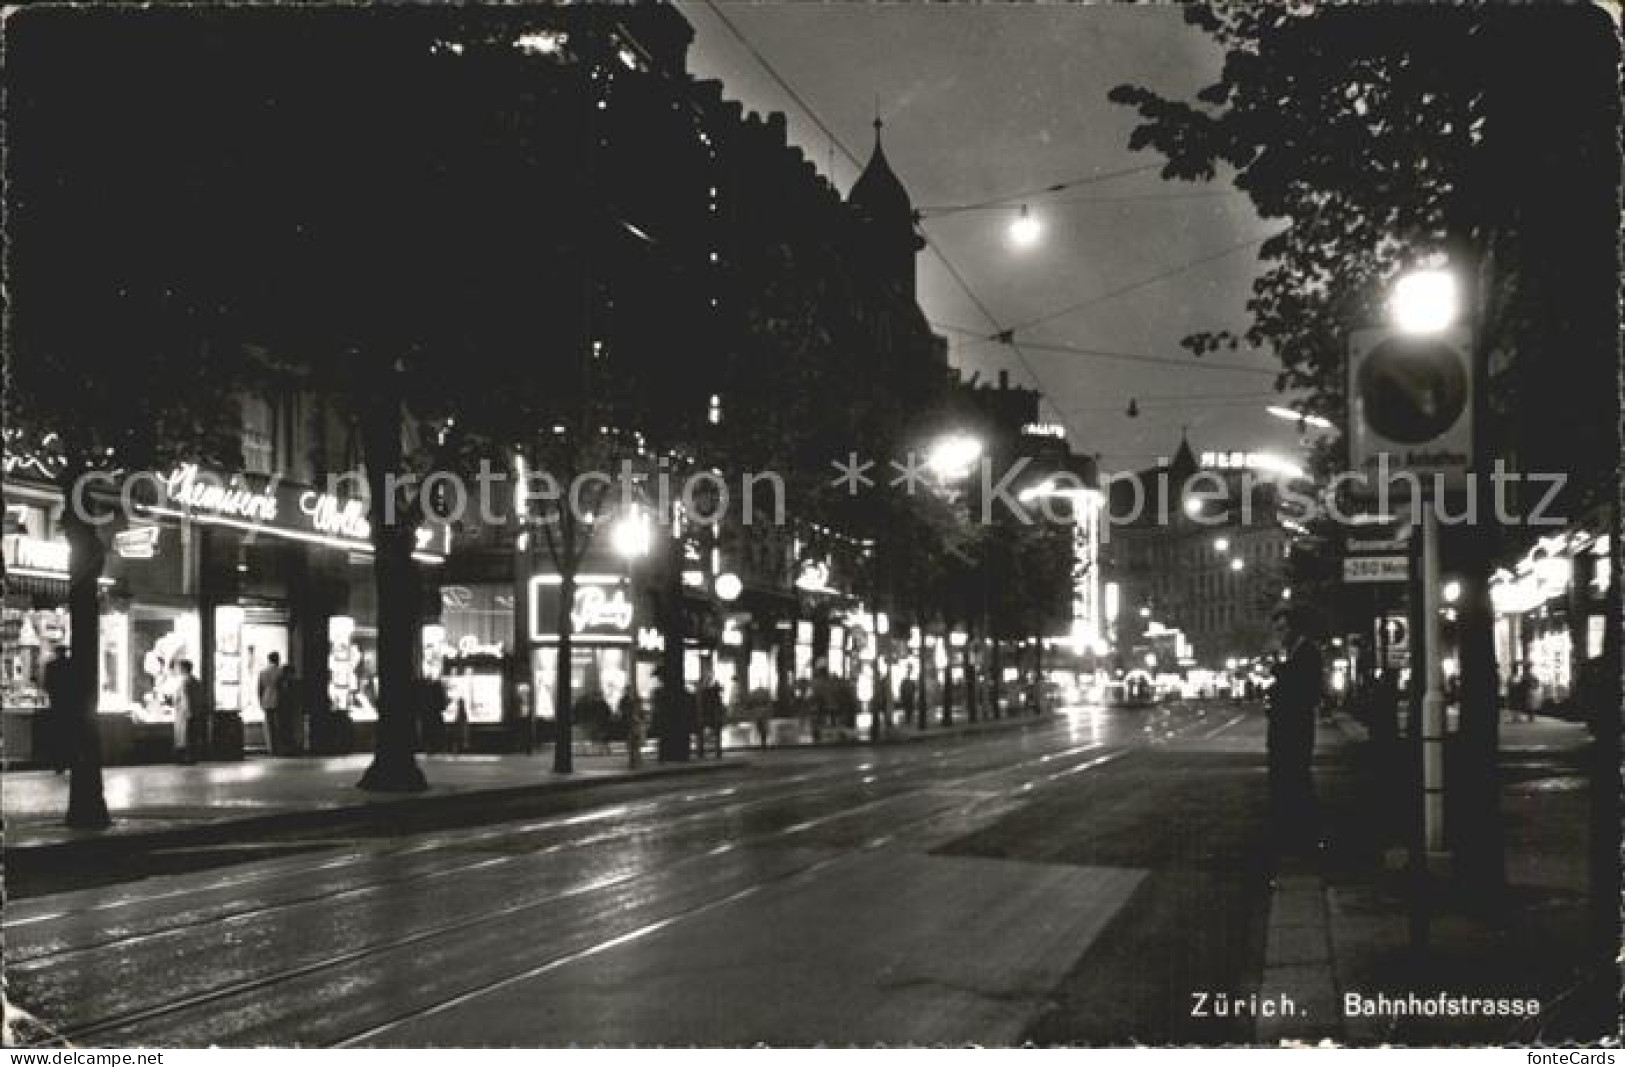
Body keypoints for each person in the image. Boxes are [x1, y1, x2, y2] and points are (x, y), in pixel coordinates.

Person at [1267, 615, 1324, 848]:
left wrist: (1278, 670)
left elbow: (1298, 684)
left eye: (1282, 629)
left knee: (1296, 775)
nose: (1279, 635)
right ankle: (1298, 826)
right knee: (1295, 777)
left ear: (1293, 629)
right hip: (1291, 726)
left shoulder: (1306, 652)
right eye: (1277, 630)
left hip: (1295, 728)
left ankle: (1301, 831)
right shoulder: (1297, 652)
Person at [39, 646, 73, 773]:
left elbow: (47, 685)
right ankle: (68, 761)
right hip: (69, 705)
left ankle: (59, 765)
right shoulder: (72, 665)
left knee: (57, 735)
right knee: (68, 735)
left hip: (56, 704)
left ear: (56, 653)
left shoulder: (51, 666)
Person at [174, 658, 207, 764]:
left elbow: (186, 698)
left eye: (178, 667)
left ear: (183, 668)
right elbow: (201, 698)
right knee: (192, 736)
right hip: (195, 712)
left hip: (185, 714)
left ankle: (186, 758)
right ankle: (192, 757)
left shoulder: (184, 682)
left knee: (185, 737)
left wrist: (188, 712)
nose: (177, 669)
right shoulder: (196, 681)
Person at [257, 651, 287, 756]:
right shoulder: (280, 672)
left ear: (269, 659)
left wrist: (261, 701)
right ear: (277, 659)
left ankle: (271, 748)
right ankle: (279, 748)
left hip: (266, 699)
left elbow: (259, 689)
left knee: (269, 727)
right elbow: (283, 687)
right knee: (279, 725)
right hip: (278, 700)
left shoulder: (262, 672)